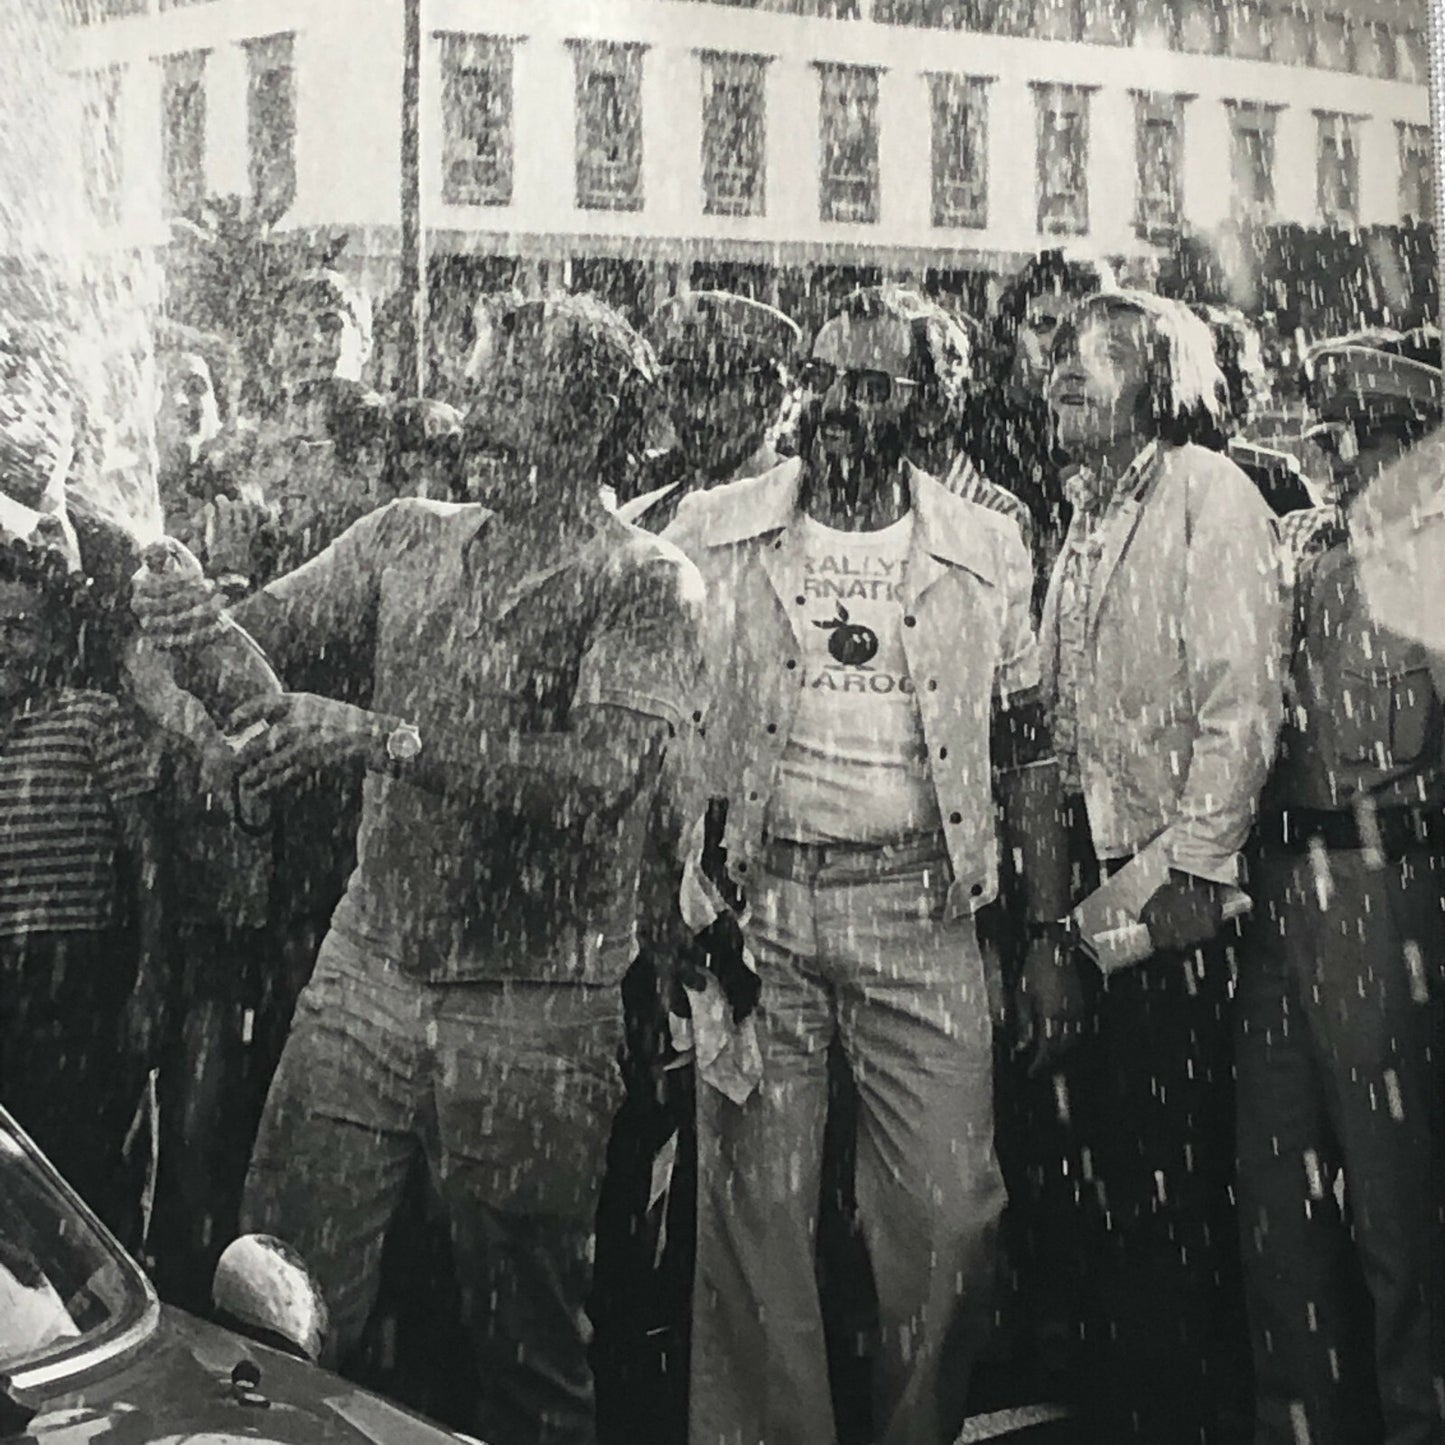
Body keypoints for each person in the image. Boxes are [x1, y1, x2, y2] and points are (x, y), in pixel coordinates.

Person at [132, 291, 705, 1445]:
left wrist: (378, 735)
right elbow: (261, 669)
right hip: (365, 975)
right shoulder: (404, 534)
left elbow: (593, 781)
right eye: (482, 384)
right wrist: (198, 624)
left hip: (535, 1006)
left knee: (529, 1352)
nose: (476, 411)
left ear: (589, 422)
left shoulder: (647, 580)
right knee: (274, 1298)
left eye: (511, 391)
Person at [663, 283, 1078, 1445]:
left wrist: (1045, 936)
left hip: (921, 907)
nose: (838, 405)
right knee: (754, 1224)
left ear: (930, 406)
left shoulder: (985, 546)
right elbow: (659, 713)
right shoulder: (716, 523)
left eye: (871, 384)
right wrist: (670, 896)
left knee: (950, 1220)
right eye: (828, 377)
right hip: (757, 918)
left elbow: (1029, 747)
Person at [1039, 289, 1285, 1444]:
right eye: (1054, 360)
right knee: (1117, 1189)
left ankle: (1183, 1413)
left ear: (1158, 375)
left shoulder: (1209, 494)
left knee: (1177, 1197)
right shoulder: (1084, 513)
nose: (1060, 377)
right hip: (1102, 901)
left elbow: (1241, 696)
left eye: (1091, 358)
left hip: (1175, 905)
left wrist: (1194, 863)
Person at [1237, 330, 1445, 1445]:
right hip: (1277, 891)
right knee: (1280, 1216)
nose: (1345, 453)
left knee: (1396, 1219)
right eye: (1338, 430)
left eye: (1370, 431)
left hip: (1388, 886)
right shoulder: (1299, 553)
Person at [0, 537, 165, 1251]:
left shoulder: (95, 719)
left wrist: (152, 981)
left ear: (56, 638)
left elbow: (151, 861)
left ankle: (106, 1320)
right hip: (5, 979)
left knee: (83, 1171)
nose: (2, 643)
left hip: (79, 978)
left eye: (19, 627)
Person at [960, 251, 1115, 613]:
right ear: (1014, 329)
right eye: (1042, 325)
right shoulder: (971, 420)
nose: (1059, 341)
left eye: (1077, 329)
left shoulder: (1102, 424)